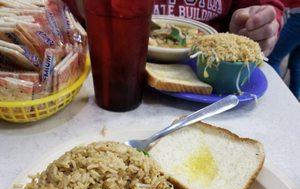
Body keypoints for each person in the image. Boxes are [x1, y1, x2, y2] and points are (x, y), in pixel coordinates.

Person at [64, 0, 284, 56]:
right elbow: (63, 14)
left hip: (208, 77)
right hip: (113, 77)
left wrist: (258, 24)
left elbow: (267, 8)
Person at [268, 0, 300, 99]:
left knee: (272, 59)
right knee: (296, 63)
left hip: (297, 18)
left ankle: (276, 98)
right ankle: (294, 99)